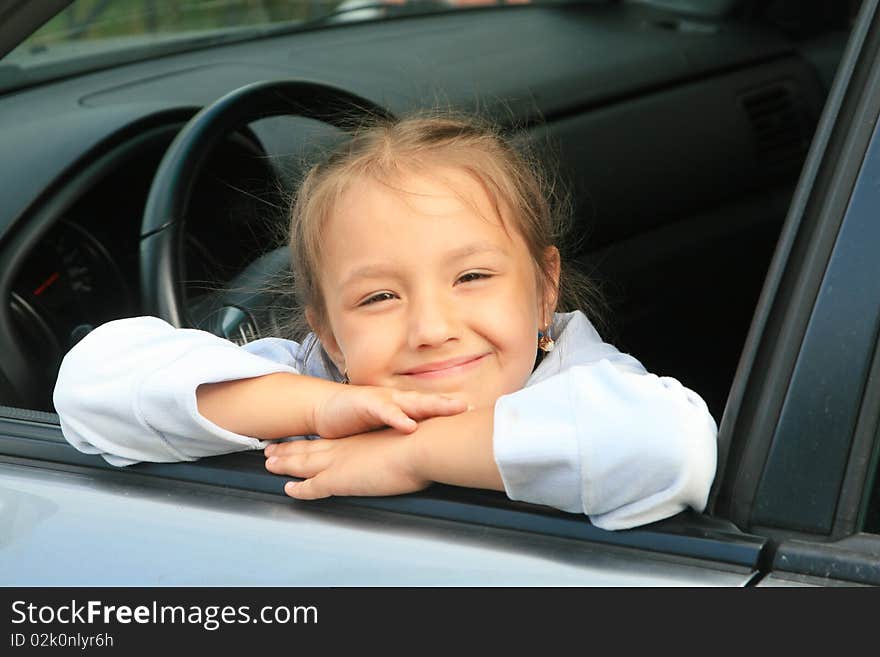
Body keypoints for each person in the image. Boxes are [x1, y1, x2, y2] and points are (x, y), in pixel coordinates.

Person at [53, 113, 717, 531]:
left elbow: (671, 447)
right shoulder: (319, 377)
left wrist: (410, 453)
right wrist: (320, 405)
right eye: (377, 298)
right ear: (330, 330)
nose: (430, 327)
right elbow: (89, 386)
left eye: (473, 277)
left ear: (544, 291)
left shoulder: (584, 382)